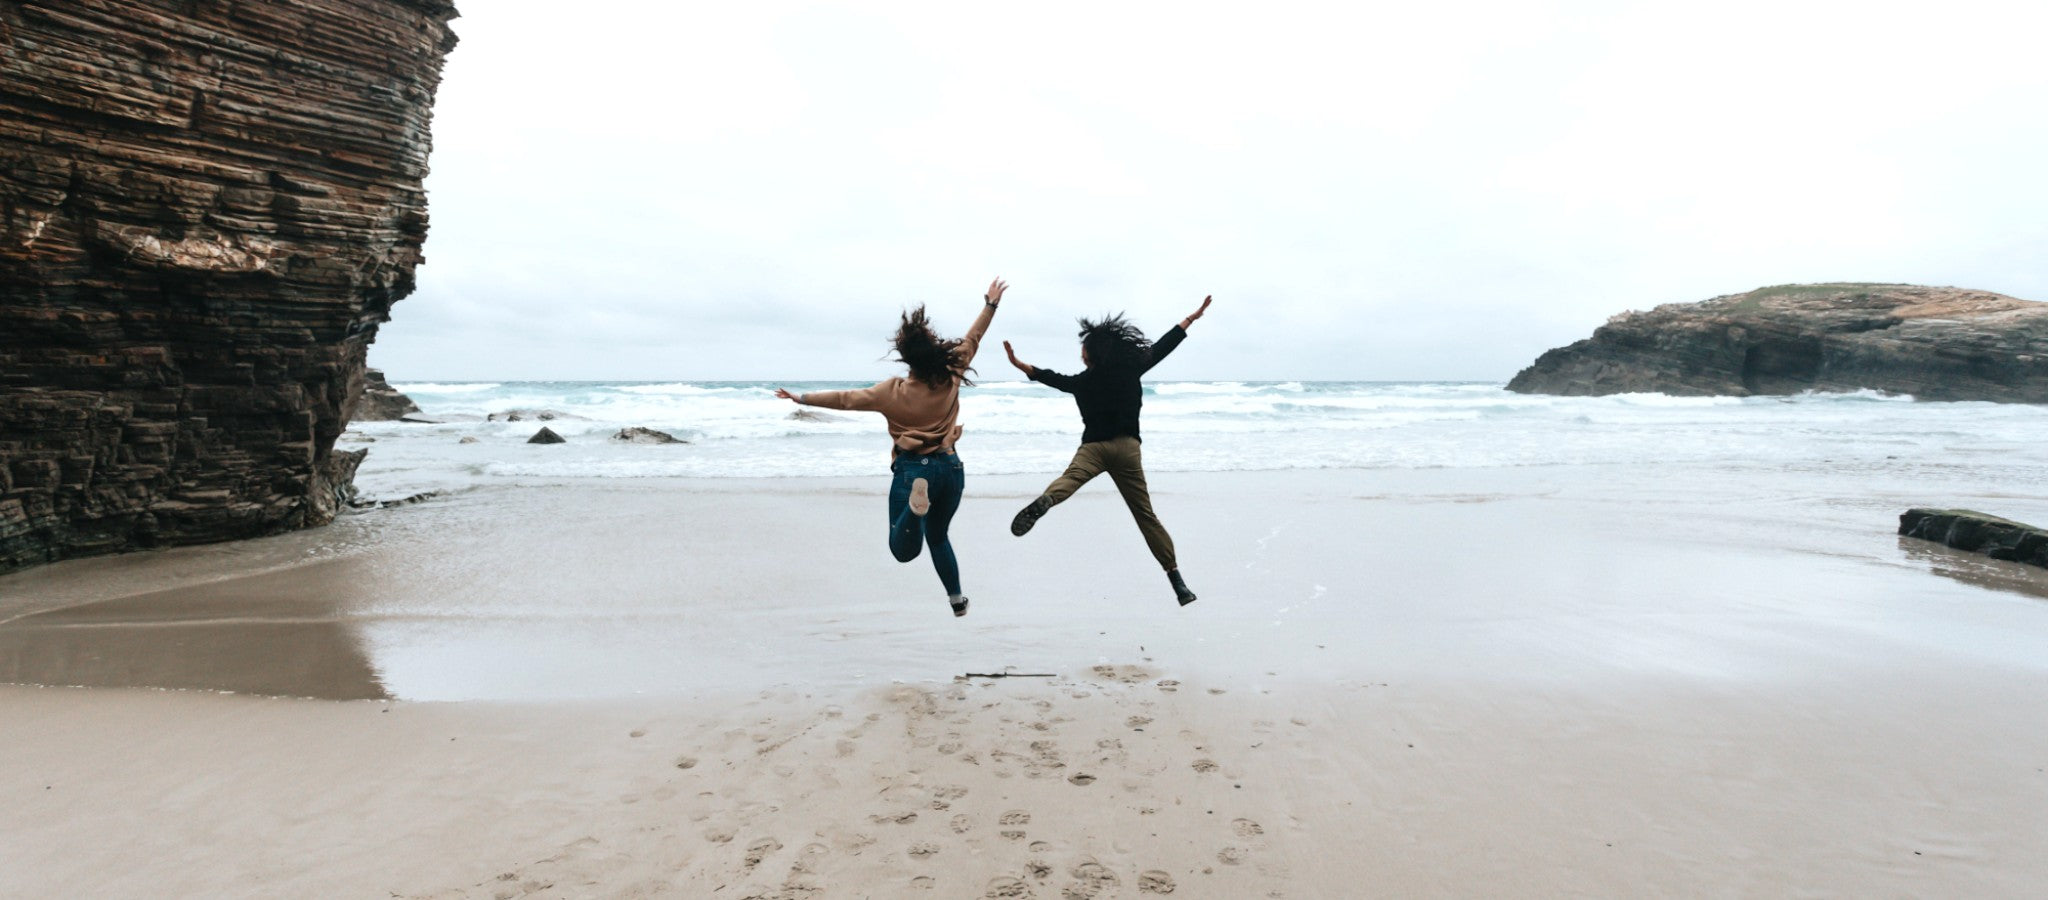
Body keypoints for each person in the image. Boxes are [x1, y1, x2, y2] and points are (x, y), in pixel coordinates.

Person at [775, 279, 1007, 617]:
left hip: (914, 469)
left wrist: (803, 397)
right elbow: (974, 337)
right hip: (951, 468)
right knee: (938, 535)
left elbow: (846, 399)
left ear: (905, 357)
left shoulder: (890, 392)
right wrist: (990, 305)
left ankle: (915, 511)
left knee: (903, 551)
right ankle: (957, 598)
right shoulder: (952, 371)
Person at [1001, 295, 1212, 606]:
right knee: (1145, 515)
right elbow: (1165, 345)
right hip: (1127, 450)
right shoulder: (1132, 368)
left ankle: (1048, 499)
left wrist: (1022, 366)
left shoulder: (1082, 382)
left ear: (1090, 354)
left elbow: (1053, 379)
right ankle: (1177, 581)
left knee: (1069, 480)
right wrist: (1190, 319)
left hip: (1094, 449)